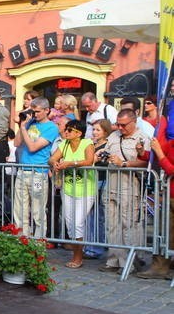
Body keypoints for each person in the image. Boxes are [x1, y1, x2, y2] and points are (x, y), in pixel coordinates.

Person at [97, 109, 150, 274]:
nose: (120, 128)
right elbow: (108, 151)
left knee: (129, 225)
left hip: (130, 186)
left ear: (134, 121)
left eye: (124, 125)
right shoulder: (114, 136)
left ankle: (131, 262)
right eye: (118, 124)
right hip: (111, 184)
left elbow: (145, 162)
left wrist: (124, 164)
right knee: (111, 224)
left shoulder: (143, 138)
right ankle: (114, 260)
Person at [49, 120, 96, 268]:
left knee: (78, 223)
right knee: (70, 224)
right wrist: (54, 163)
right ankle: (76, 253)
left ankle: (78, 257)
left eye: (70, 130)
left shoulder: (86, 143)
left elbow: (89, 160)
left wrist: (70, 163)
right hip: (68, 188)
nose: (66, 132)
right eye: (66, 129)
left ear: (79, 133)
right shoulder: (64, 144)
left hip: (85, 189)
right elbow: (52, 158)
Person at [13, 96, 59, 238]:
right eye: (33, 111)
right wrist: (22, 125)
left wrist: (23, 128)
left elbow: (33, 147)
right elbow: (16, 143)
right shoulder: (29, 123)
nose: (35, 114)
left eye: (38, 111)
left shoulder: (51, 127)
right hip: (22, 170)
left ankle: (39, 242)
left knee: (38, 211)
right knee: (19, 210)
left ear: (47, 110)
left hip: (38, 172)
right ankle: (21, 240)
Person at [136, 112, 174, 278]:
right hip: (169, 195)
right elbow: (154, 156)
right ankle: (160, 266)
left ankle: (164, 267)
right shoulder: (172, 143)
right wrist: (141, 152)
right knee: (164, 232)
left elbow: (171, 168)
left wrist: (158, 152)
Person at [84, 118, 112, 260]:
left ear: (105, 132)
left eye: (97, 130)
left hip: (101, 181)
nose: (94, 132)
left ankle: (95, 248)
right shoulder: (91, 145)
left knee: (96, 216)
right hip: (89, 182)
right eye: (93, 129)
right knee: (89, 216)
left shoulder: (107, 146)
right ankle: (90, 245)